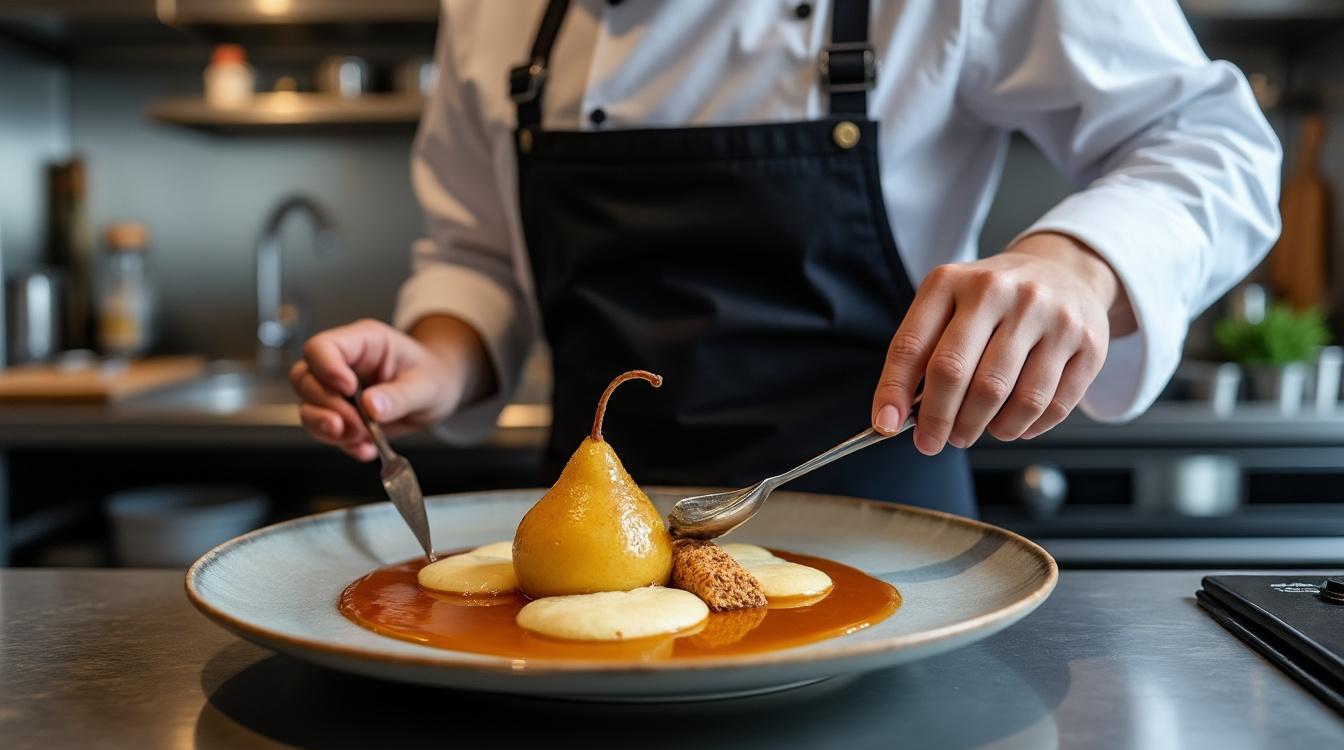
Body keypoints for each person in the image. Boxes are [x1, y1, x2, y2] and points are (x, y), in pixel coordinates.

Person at [291, 0, 1280, 517]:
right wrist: (440, 355)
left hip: (891, 540)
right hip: (588, 568)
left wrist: (1081, 261)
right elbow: (477, 250)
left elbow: (1215, 141)